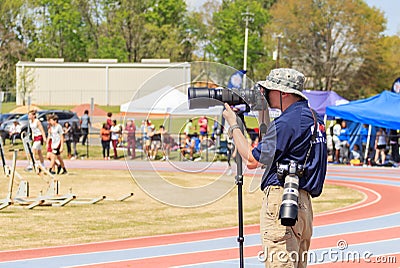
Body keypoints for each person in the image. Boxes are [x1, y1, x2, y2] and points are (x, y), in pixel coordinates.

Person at [223, 68, 327, 267]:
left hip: (281, 201)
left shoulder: (288, 122)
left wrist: (234, 125)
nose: (266, 94)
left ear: (283, 93)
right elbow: (272, 147)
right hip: (302, 204)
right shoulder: (313, 119)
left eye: (269, 91)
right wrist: (262, 112)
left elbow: (253, 161)